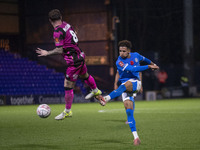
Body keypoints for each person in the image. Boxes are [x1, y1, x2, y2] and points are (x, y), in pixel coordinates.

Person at [36, 9, 102, 120]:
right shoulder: (66, 24)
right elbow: (74, 34)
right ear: (60, 17)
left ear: (50, 20)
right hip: (80, 55)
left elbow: (59, 50)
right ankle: (96, 90)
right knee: (85, 75)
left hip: (73, 61)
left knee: (67, 85)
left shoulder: (57, 32)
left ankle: (67, 111)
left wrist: (47, 53)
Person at [96, 40, 159, 146]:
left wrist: (153, 64)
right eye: (120, 51)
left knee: (125, 86)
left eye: (124, 51)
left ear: (129, 51)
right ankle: (136, 137)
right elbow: (132, 68)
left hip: (135, 83)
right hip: (125, 86)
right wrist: (148, 67)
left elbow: (145, 59)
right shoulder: (119, 61)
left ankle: (106, 99)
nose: (121, 53)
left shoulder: (136, 56)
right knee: (129, 111)